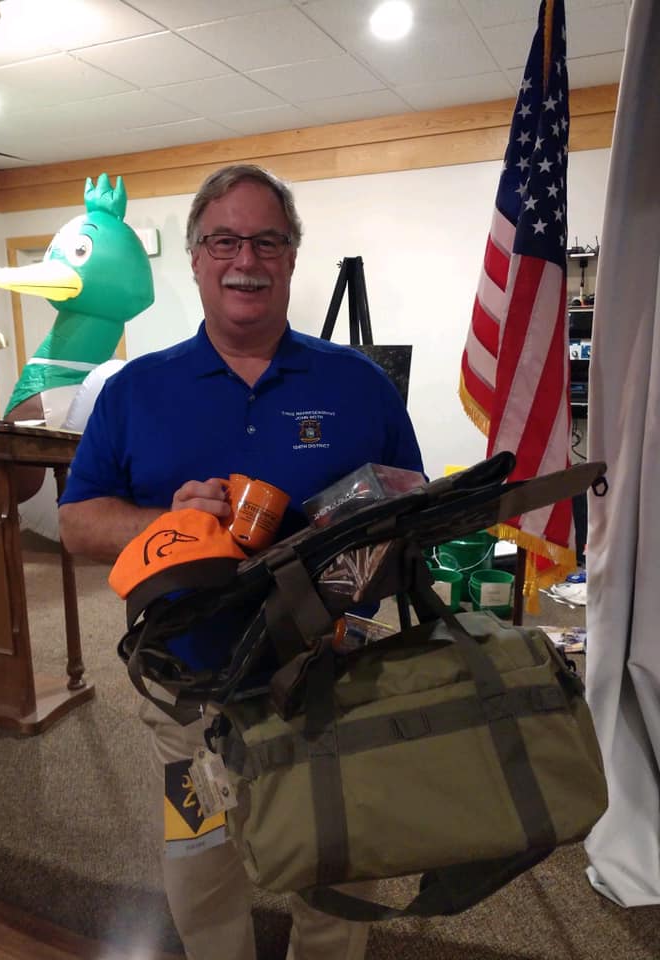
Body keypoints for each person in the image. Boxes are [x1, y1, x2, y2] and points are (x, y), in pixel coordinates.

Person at [58, 163, 425, 960]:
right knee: (201, 863)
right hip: (186, 692)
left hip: (337, 681)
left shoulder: (360, 385)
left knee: (340, 861)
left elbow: (411, 506)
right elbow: (79, 522)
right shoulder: (133, 390)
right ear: (194, 258)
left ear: (292, 257)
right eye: (223, 240)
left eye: (266, 240)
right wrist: (170, 522)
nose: (245, 260)